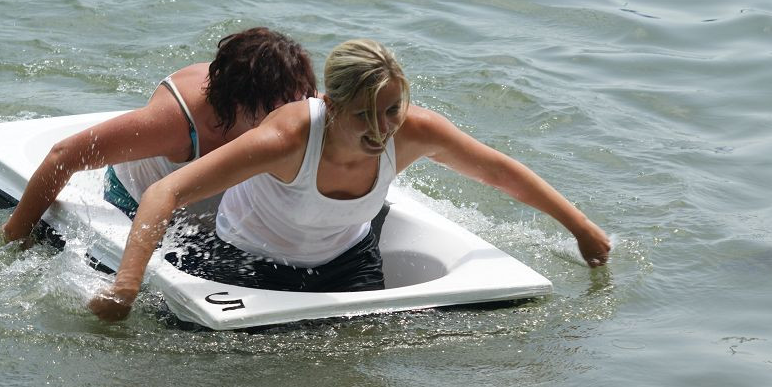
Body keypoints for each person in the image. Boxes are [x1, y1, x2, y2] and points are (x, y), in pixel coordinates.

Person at [90, 39, 611, 321]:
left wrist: (579, 226)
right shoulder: (285, 139)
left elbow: (497, 172)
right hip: (247, 260)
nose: (382, 130)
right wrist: (126, 289)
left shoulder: (410, 130)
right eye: (365, 115)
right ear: (331, 106)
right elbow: (167, 191)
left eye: (391, 111)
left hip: (345, 260)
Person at [0, 27, 317, 242]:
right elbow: (65, 155)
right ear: (240, 102)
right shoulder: (175, 122)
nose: (290, 114)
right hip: (137, 200)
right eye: (277, 107)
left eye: (298, 100)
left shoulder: (296, 97)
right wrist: (17, 235)